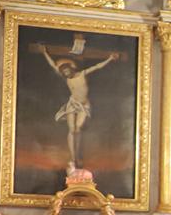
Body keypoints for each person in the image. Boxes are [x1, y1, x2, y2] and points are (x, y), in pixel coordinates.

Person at [37, 43, 121, 172]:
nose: (66, 73)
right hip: (73, 103)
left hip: (84, 104)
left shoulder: (81, 74)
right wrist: (44, 52)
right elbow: (53, 65)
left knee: (78, 128)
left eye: (67, 71)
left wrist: (110, 58)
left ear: (71, 68)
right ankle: (73, 157)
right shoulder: (67, 78)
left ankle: (77, 155)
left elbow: (97, 66)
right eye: (64, 72)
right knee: (71, 129)